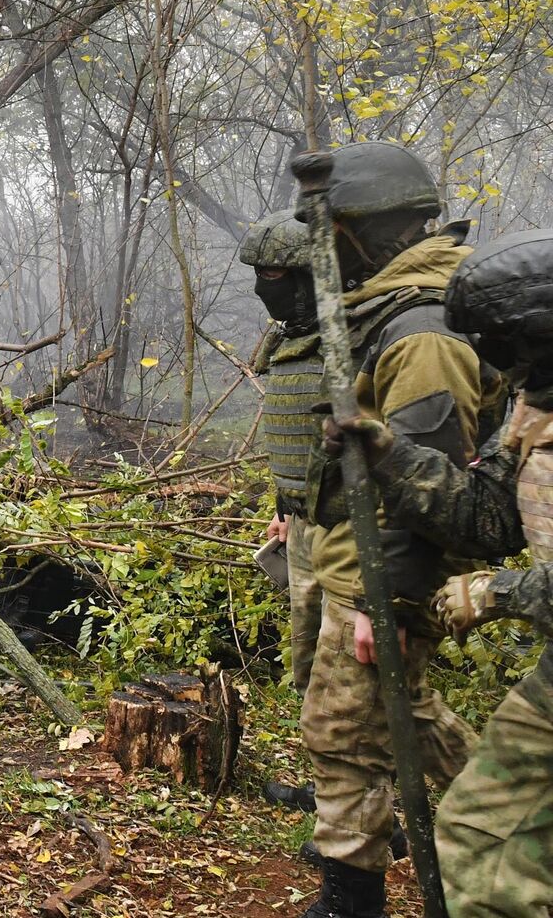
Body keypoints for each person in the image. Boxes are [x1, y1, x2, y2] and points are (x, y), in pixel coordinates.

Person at [290, 141, 503, 918]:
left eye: (331, 234)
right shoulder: (387, 310)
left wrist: (397, 599)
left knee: (345, 736)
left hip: (385, 569)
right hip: (357, 558)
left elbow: (434, 485)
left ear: (362, 232)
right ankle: (512, 802)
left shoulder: (421, 330)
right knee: (386, 716)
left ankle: (351, 902)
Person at [326, 228, 553, 918]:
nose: (491, 359)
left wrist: (496, 592)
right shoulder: (534, 403)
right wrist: (389, 454)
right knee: (480, 840)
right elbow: (488, 516)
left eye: (496, 339)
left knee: (489, 851)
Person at [239, 212, 324, 814]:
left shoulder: (362, 337)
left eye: (274, 274)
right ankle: (335, 790)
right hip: (307, 524)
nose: (263, 286)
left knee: (357, 683)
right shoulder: (291, 336)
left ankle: (362, 808)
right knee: (311, 663)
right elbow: (296, 433)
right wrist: (285, 510)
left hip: (355, 533)